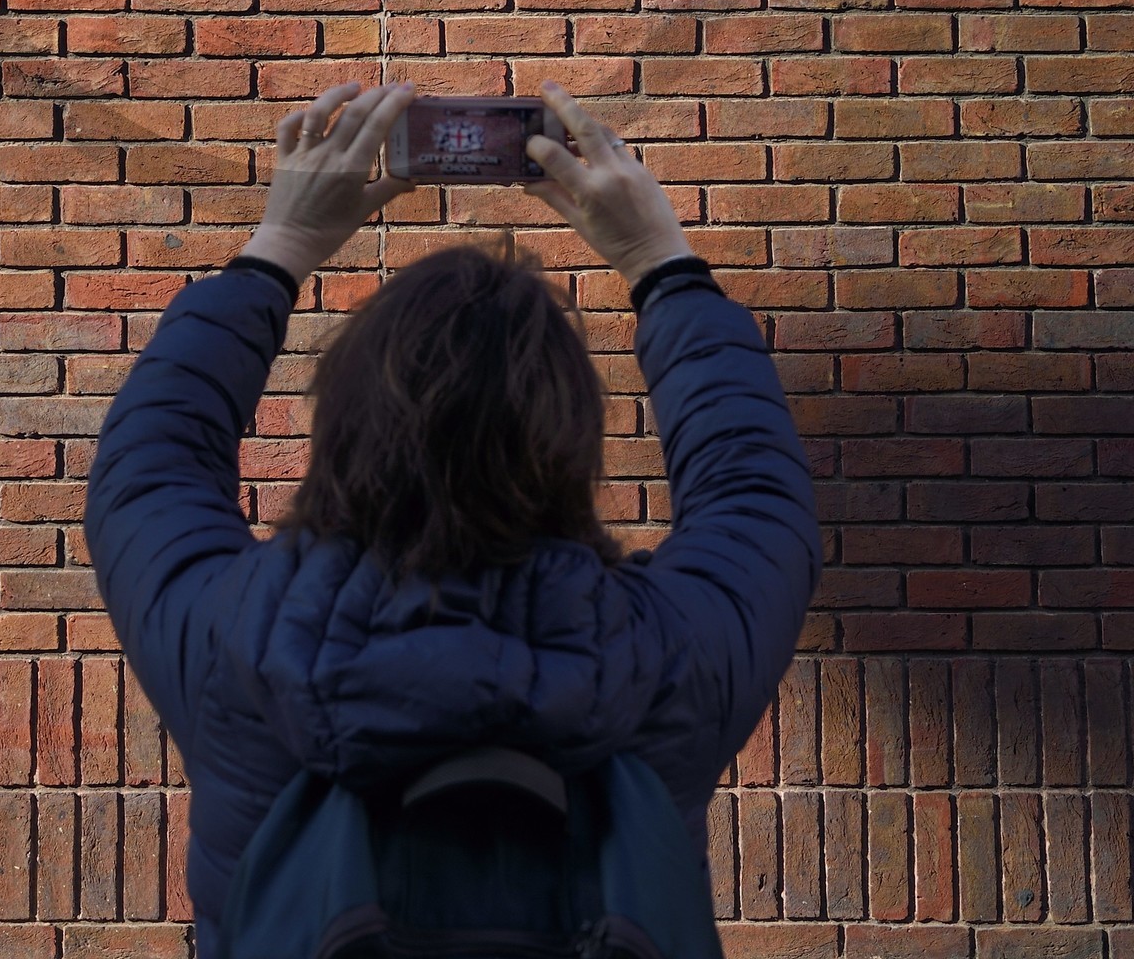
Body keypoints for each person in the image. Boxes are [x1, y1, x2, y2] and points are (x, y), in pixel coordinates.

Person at [87, 81, 821, 957]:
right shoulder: (664, 657)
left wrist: (277, 249)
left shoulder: (240, 643)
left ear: (346, 430)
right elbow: (754, 491)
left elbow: (148, 466)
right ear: (573, 445)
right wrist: (660, 261)